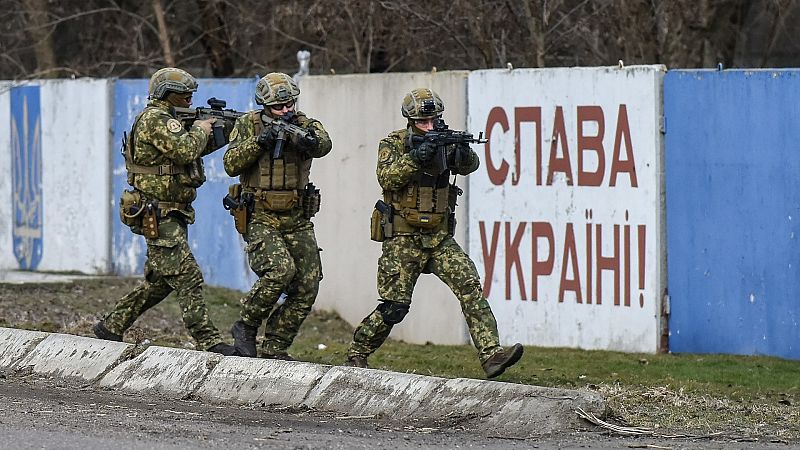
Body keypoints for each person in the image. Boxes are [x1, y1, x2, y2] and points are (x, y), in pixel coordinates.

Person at [344, 88, 523, 379]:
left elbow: (471, 165)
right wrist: (416, 158)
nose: (430, 126)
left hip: (438, 238)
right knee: (395, 306)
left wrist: (462, 154)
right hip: (403, 237)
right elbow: (386, 177)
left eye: (434, 120)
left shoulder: (445, 140)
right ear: (411, 121)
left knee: (470, 286)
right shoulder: (393, 143)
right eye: (423, 122)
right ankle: (358, 353)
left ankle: (491, 355)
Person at [93, 67, 236, 356]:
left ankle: (111, 326)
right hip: (157, 213)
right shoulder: (157, 119)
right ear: (168, 93)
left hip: (172, 211)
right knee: (187, 276)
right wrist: (199, 129)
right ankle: (209, 341)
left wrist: (220, 132)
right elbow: (184, 151)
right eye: (184, 94)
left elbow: (188, 153)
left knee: (159, 282)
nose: (189, 98)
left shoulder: (168, 118)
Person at [224, 72, 332, 359]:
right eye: (279, 108)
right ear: (264, 106)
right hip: (260, 215)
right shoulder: (248, 124)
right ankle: (245, 326)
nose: (286, 111)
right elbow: (230, 163)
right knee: (280, 271)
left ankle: (276, 345)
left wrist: (305, 140)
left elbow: (324, 145)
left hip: (296, 216)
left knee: (308, 284)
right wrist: (260, 141)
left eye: (290, 105)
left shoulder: (305, 123)